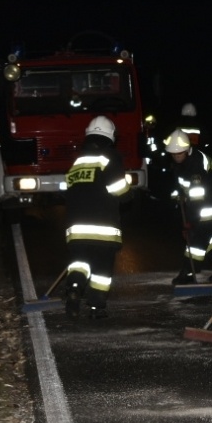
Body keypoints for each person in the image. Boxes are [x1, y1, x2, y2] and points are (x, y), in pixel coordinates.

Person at [64, 115, 130, 319]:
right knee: (102, 269)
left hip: (76, 229)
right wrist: (129, 193)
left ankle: (74, 287)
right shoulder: (109, 157)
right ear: (110, 136)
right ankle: (96, 307)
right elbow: (120, 190)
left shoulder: (77, 162)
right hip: (103, 228)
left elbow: (68, 192)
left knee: (80, 263)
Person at [162, 128, 212, 283]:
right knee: (209, 236)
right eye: (173, 154)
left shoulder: (195, 165)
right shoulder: (182, 162)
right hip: (203, 198)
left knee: (197, 237)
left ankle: (189, 272)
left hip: (211, 202)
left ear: (187, 150)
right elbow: (181, 185)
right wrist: (177, 196)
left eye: (179, 154)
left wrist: (190, 222)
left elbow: (196, 198)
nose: (176, 157)